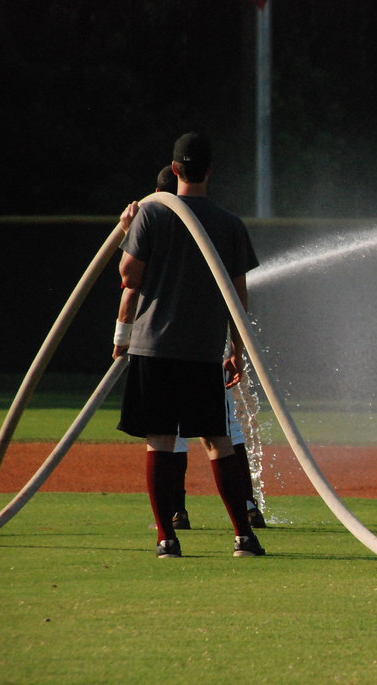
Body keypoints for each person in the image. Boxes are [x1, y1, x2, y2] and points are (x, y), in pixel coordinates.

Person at [116, 132, 265, 559]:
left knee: (159, 440)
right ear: (210, 171)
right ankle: (244, 536)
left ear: (175, 169)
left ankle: (166, 537)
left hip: (154, 347)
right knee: (218, 440)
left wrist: (127, 231)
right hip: (202, 349)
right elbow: (239, 296)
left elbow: (129, 276)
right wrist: (236, 348)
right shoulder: (228, 222)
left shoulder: (151, 214)